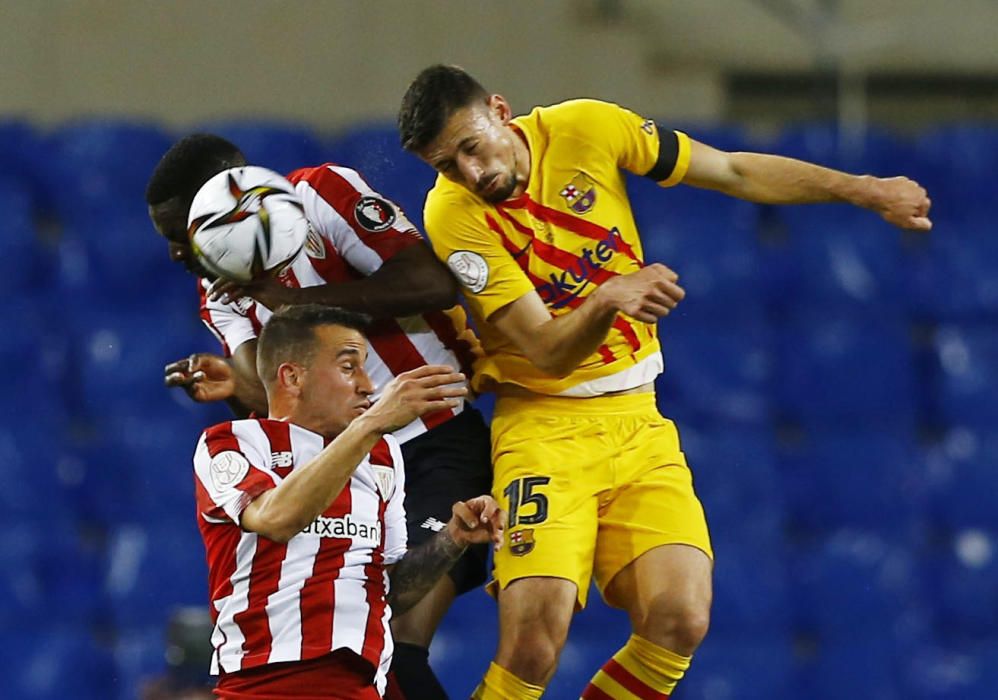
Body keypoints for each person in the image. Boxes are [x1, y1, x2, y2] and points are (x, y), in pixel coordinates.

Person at [397, 64, 932, 699]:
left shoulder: (588, 127)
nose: (470, 173)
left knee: (681, 618)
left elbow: (731, 170)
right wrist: (607, 298)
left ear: (502, 110)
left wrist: (863, 189)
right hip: (543, 426)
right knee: (534, 642)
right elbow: (545, 351)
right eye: (446, 164)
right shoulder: (454, 214)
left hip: (638, 421)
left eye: (471, 146)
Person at [145, 135, 494, 699]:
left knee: (399, 643)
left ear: (223, 202)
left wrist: (289, 303)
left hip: (434, 439)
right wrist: (235, 387)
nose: (174, 253)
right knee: (375, 649)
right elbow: (270, 403)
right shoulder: (220, 294)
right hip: (345, 469)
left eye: (177, 231)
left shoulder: (321, 195)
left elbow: (429, 282)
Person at [193, 303, 504, 699]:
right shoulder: (233, 442)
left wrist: (451, 540)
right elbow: (275, 518)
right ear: (292, 377)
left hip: (362, 685)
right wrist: (370, 425)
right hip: (265, 687)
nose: (368, 385)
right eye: (348, 367)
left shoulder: (381, 456)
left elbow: (392, 590)